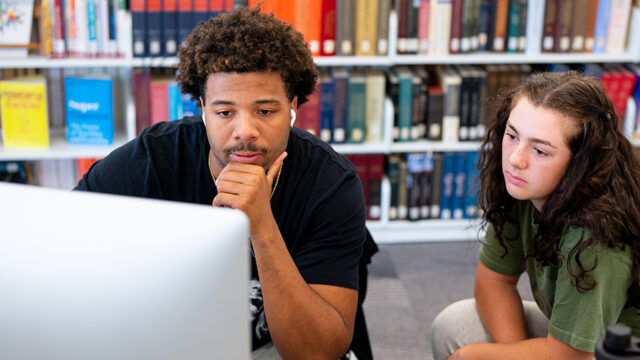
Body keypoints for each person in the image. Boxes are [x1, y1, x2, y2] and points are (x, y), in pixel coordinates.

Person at [75, 7, 372, 359]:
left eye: (265, 111)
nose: (244, 131)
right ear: (202, 108)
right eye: (224, 112)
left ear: (293, 106)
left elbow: (316, 352)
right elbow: (68, 245)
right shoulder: (153, 160)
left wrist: (261, 226)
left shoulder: (331, 183)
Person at [431, 71, 640, 360]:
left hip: (616, 351)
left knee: (467, 355)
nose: (516, 159)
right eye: (512, 136)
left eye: (540, 150)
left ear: (580, 163)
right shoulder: (526, 188)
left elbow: (571, 357)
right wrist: (509, 354)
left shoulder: (597, 236)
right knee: (454, 325)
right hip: (578, 344)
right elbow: (493, 283)